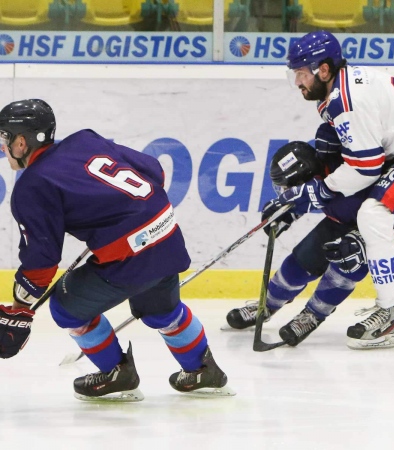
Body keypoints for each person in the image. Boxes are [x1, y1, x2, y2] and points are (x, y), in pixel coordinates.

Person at [0, 99, 234, 401]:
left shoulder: (32, 185)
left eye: (4, 137)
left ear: (22, 142)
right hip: (168, 237)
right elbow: (154, 171)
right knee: (161, 310)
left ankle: (117, 373)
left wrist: (21, 305)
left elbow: (42, 259)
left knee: (65, 307)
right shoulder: (86, 139)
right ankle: (204, 371)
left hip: (131, 259)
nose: (2, 146)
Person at [261, 30, 394, 349]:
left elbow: (364, 168)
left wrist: (313, 193)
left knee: (375, 213)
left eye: (302, 73)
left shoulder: (344, 102)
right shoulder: (339, 88)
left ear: (323, 69)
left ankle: (390, 313)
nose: (298, 82)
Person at [226, 136, 394, 348]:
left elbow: (343, 199)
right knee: (299, 263)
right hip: (340, 222)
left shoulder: (351, 174)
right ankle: (267, 305)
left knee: (344, 267)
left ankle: (313, 314)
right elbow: (319, 194)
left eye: (290, 186)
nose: (286, 190)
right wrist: (290, 210)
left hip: (386, 231)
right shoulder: (326, 170)